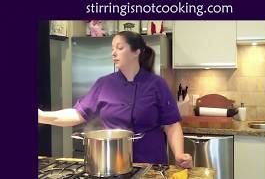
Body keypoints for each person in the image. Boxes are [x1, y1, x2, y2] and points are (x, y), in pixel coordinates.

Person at [38, 31, 192, 168]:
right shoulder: (103, 83)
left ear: (136, 52)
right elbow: (78, 114)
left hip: (150, 164)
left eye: (119, 48)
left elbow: (171, 124)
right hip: (111, 163)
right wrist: (43, 116)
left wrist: (179, 154)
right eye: (112, 48)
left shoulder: (157, 84)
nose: (113, 53)